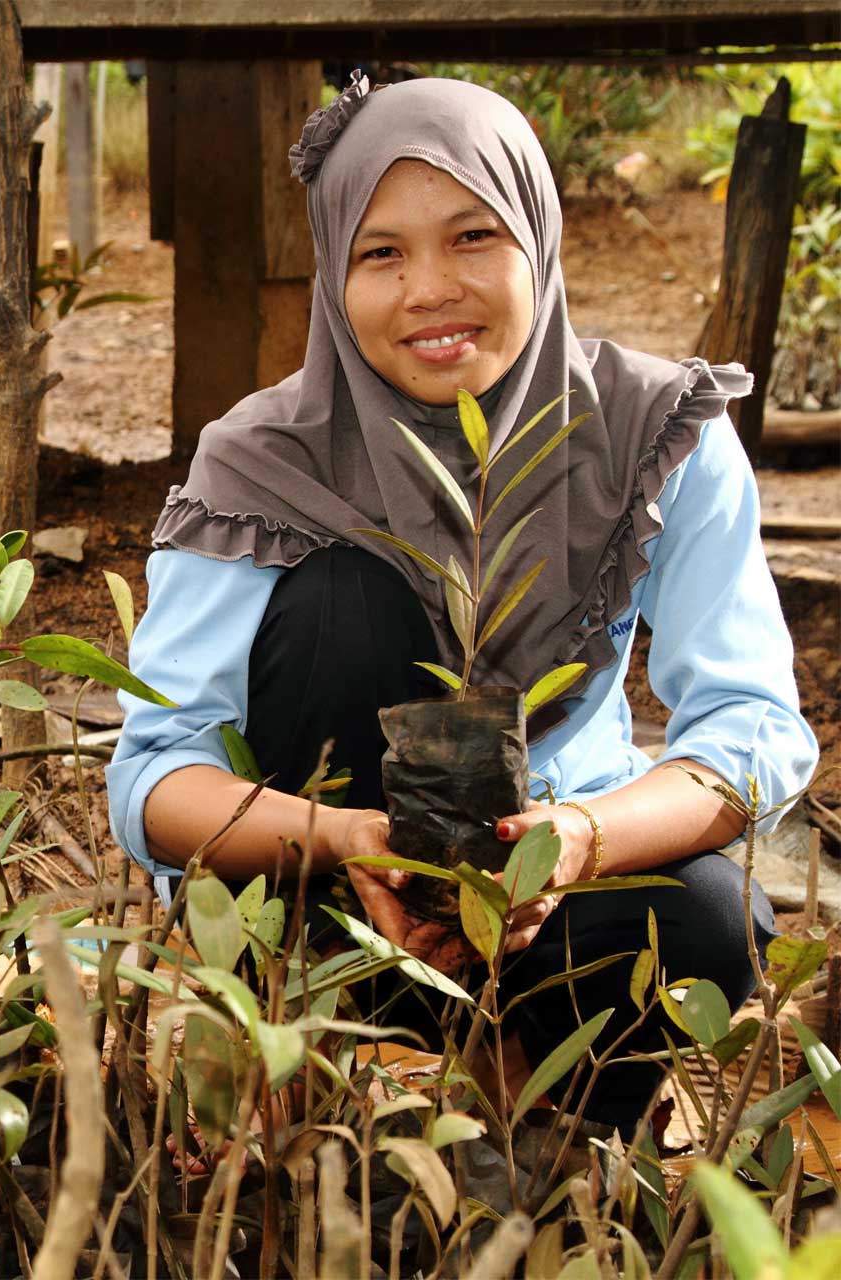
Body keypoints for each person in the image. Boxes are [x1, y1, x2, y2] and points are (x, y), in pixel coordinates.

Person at [106, 75, 819, 1135]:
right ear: (333, 273)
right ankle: (317, 1082)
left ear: (537, 230)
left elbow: (755, 729)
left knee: (713, 917)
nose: (429, 288)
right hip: (332, 904)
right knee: (350, 599)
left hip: (556, 903)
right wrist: (349, 841)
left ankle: (564, 1132)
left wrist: (574, 837)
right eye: (380, 253)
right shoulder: (265, 462)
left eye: (473, 235)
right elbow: (157, 772)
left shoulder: (651, 433)